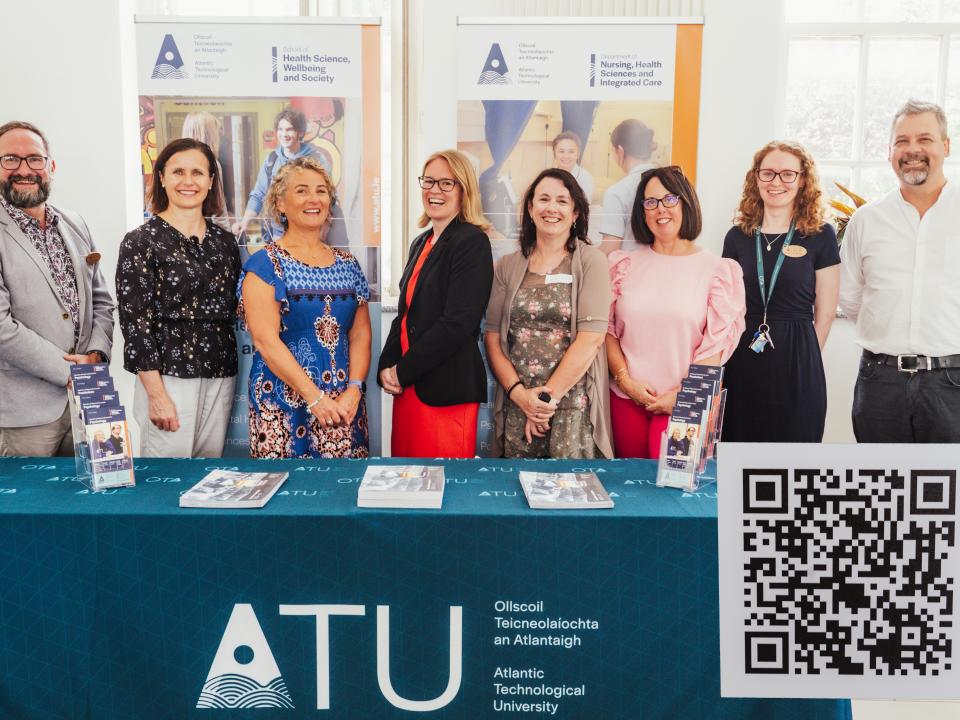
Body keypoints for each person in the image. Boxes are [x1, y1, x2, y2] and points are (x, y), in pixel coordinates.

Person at [840, 100, 960, 442]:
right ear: (890, 150)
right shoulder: (867, 219)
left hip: (953, 383)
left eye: (925, 139)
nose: (913, 150)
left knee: (950, 493)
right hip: (881, 382)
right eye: (902, 141)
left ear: (946, 146)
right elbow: (850, 295)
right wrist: (887, 328)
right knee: (880, 489)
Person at [606, 166, 745, 459]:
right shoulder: (623, 265)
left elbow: (716, 347)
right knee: (627, 494)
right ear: (641, 211)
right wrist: (625, 381)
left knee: (675, 493)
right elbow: (608, 332)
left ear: (686, 203)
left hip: (688, 402)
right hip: (626, 400)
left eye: (670, 199)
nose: (660, 209)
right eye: (650, 202)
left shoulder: (719, 271)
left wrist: (683, 395)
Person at [117, 138, 241, 457]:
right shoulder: (140, 242)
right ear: (161, 177)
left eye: (198, 173)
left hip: (220, 374)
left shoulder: (225, 243)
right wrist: (157, 395)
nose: (188, 181)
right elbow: (135, 326)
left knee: (206, 480)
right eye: (178, 172)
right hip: (167, 378)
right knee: (165, 483)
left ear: (211, 181)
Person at [240, 156, 371, 458]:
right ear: (280, 204)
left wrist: (354, 389)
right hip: (282, 406)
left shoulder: (349, 264)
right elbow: (265, 341)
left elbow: (361, 334)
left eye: (321, 190)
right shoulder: (265, 264)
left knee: (344, 496)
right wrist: (315, 399)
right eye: (301, 190)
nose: (314, 199)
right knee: (284, 499)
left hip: (344, 407)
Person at [0, 121, 114, 457]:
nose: (24, 169)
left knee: (93, 504)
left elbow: (102, 303)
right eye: (10, 160)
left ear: (50, 166)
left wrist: (95, 356)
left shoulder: (74, 222)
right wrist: (70, 371)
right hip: (25, 415)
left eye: (35, 159)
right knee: (28, 508)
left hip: (88, 403)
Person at [485, 168, 613, 459]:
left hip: (572, 407)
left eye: (562, 201)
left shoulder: (592, 262)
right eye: (543, 199)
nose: (551, 208)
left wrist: (543, 402)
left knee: (570, 499)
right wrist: (521, 397)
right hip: (518, 403)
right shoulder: (508, 265)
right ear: (530, 209)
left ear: (576, 212)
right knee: (515, 497)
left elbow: (591, 339)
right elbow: (492, 337)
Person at [721, 141, 840, 442]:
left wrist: (806, 356)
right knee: (740, 452)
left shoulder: (820, 235)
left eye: (788, 174)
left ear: (803, 180)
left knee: (795, 456)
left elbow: (825, 312)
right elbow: (725, 306)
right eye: (768, 173)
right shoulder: (737, 237)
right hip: (743, 357)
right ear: (756, 178)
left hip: (798, 357)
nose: (777, 182)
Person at [378, 150, 493, 457]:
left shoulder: (472, 242)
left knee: (443, 490)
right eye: (429, 181)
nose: (434, 191)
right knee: (406, 484)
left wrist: (403, 371)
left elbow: (458, 322)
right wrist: (387, 367)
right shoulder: (422, 242)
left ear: (463, 190)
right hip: (409, 388)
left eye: (446, 183)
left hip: (444, 391)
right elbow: (405, 314)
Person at [232, 108, 347, 247]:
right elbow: (258, 195)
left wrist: (322, 233)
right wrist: (244, 223)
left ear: (300, 132)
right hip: (279, 234)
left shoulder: (316, 159)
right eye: (280, 129)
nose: (284, 134)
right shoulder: (272, 160)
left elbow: (329, 198)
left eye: (289, 129)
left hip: (310, 233)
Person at [598, 119, 657, 255]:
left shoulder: (617, 192)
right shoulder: (668, 181)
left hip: (631, 271)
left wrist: (583, 257)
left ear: (620, 151)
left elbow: (610, 249)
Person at [181, 111, 229, 217]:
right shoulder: (211, 164)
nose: (219, 137)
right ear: (209, 135)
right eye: (217, 133)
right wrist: (226, 233)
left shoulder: (171, 161)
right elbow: (219, 211)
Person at [552, 131, 594, 203]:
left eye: (571, 151)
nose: (566, 156)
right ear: (554, 153)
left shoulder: (585, 178)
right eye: (561, 151)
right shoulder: (548, 176)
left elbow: (584, 208)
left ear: (578, 154)